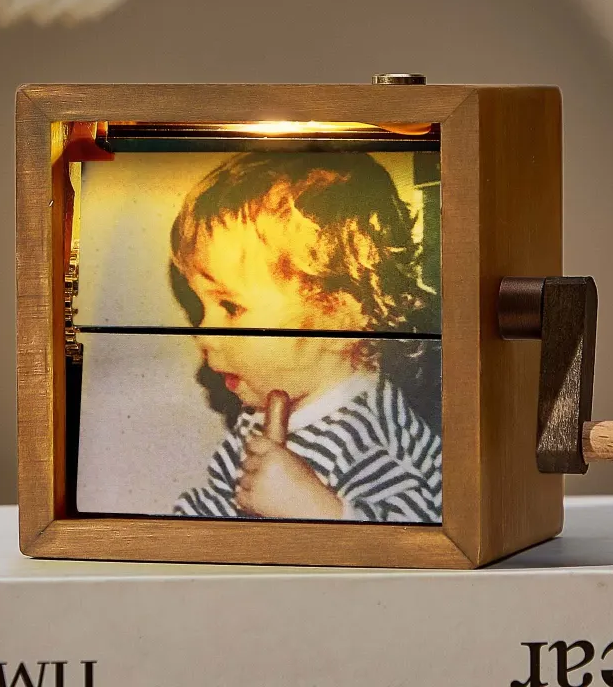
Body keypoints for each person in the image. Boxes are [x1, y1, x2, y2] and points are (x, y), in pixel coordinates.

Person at [169, 151, 442, 523]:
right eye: (201, 307)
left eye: (231, 306)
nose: (203, 334)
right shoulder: (265, 411)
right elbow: (218, 500)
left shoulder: (372, 439)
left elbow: (416, 542)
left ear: (340, 320)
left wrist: (321, 510)